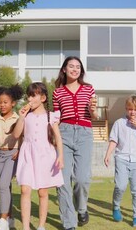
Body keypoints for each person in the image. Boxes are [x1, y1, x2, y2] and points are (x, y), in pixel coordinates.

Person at [53, 56, 98, 230]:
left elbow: (95, 117)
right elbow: (56, 119)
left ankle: (81, 208)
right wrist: (55, 139)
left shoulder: (89, 89)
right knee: (62, 180)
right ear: (64, 69)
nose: (75, 69)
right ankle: (69, 223)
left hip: (85, 132)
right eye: (71, 66)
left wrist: (92, 111)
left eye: (78, 67)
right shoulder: (57, 92)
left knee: (82, 178)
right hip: (63, 133)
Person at [13, 82, 64, 230]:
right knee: (25, 190)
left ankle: (41, 226)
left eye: (33, 95)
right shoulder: (25, 115)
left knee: (43, 192)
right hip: (27, 154)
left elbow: (58, 137)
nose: (30, 99)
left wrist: (61, 156)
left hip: (45, 155)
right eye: (28, 95)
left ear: (42, 98)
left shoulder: (51, 116)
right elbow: (16, 135)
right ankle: (26, 227)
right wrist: (21, 117)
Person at [103, 95, 136, 227]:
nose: (132, 112)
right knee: (120, 186)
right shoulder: (119, 123)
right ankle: (116, 207)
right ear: (126, 108)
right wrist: (107, 155)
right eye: (130, 109)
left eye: (135, 109)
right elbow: (114, 141)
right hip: (121, 158)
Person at [0, 84, 24, 230]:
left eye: (5, 102)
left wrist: (20, 150)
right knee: (5, 187)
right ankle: (10, 219)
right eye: (0, 102)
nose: (2, 105)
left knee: (2, 185)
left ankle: (2, 220)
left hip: (12, 154)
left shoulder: (18, 118)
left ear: (13, 103)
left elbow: (23, 137)